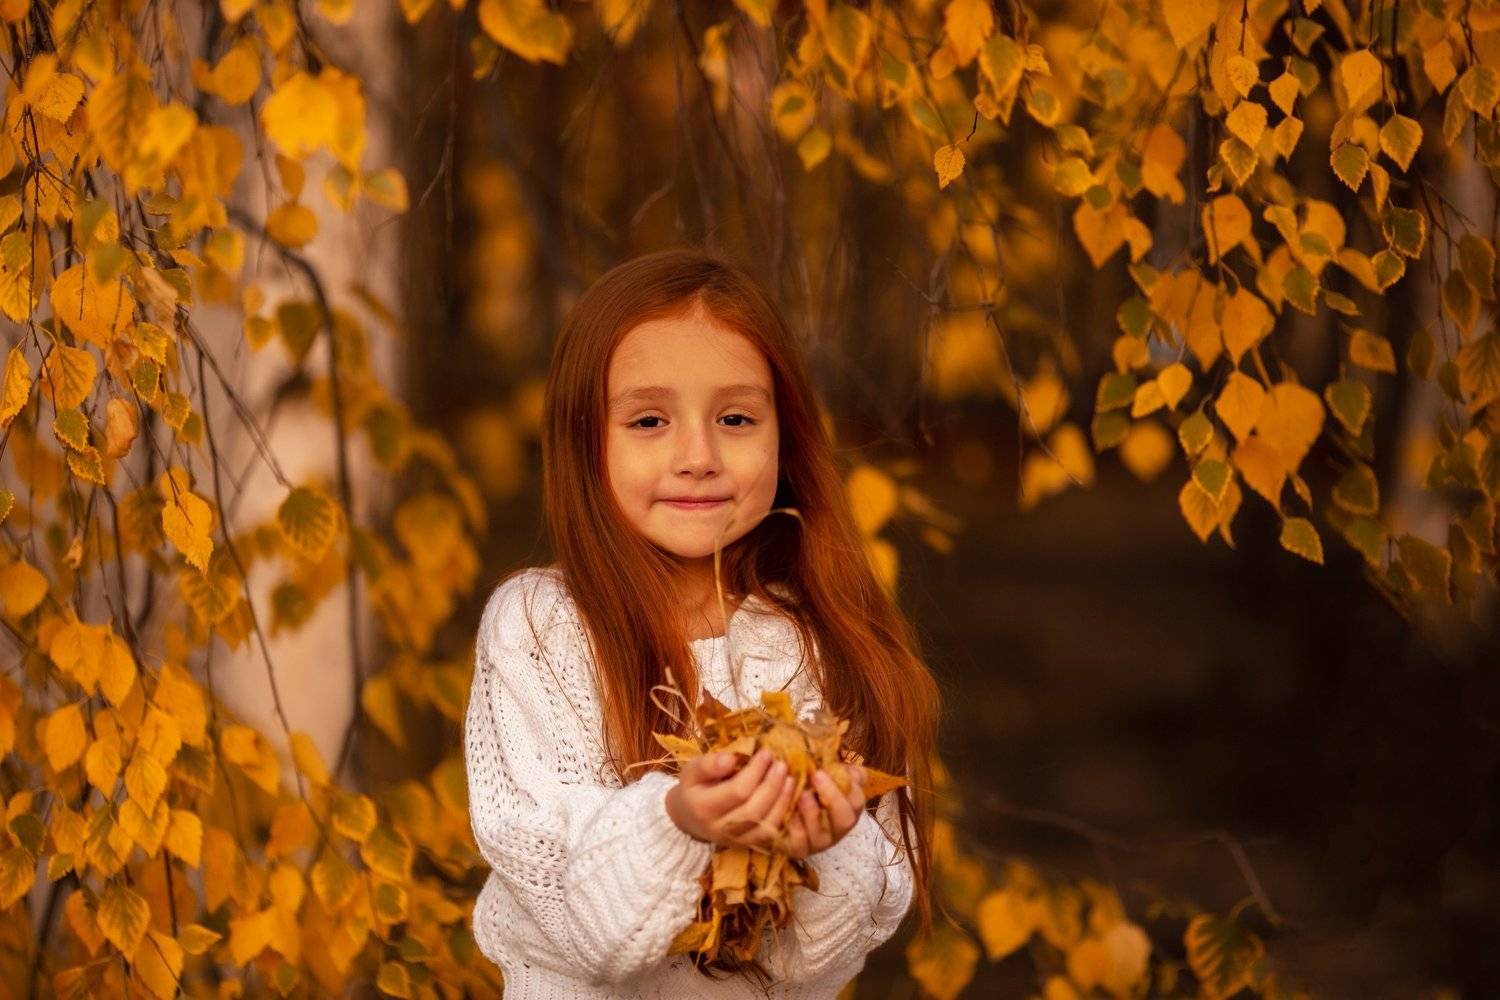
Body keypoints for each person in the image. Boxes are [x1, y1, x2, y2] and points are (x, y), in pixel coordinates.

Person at [463, 248, 941, 998]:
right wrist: (680, 821)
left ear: (786, 437)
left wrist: (829, 845)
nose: (698, 456)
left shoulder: (822, 638)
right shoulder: (540, 629)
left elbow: (817, 962)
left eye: (736, 418)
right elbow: (581, 927)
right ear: (586, 442)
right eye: (649, 420)